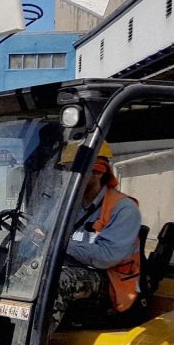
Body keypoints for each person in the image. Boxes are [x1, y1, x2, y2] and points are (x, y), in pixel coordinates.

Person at [50, 142, 142, 332]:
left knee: (57, 281)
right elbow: (44, 233)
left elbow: (105, 257)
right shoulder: (69, 205)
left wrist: (59, 244)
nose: (68, 179)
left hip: (110, 279)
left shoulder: (124, 209)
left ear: (98, 172)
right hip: (75, 266)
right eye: (66, 172)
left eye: (74, 172)